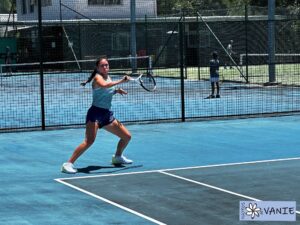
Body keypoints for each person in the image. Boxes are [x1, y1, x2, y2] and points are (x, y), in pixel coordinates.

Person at [61, 57, 132, 174]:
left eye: (107, 65)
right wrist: (121, 81)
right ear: (97, 68)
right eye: (102, 65)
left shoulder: (108, 77)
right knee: (89, 141)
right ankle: (68, 164)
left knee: (127, 137)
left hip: (106, 115)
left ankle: (117, 157)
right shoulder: (97, 77)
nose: (105, 67)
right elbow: (104, 86)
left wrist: (116, 91)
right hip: (95, 114)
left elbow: (107, 90)